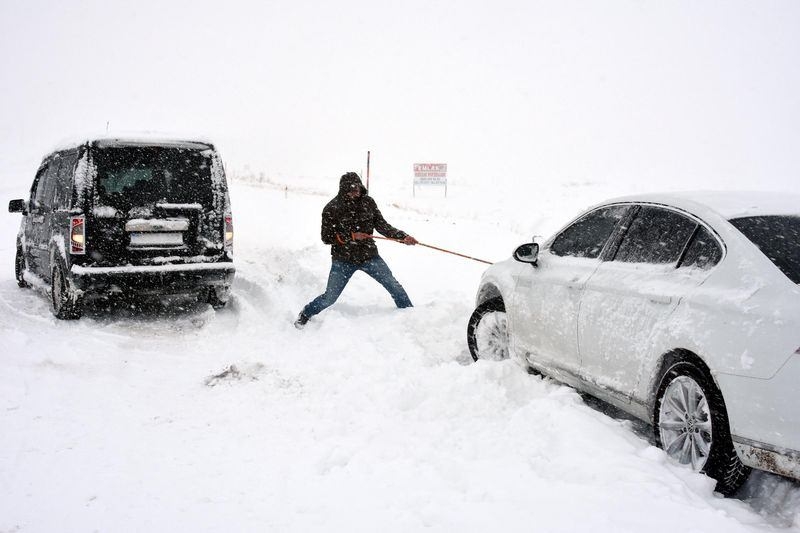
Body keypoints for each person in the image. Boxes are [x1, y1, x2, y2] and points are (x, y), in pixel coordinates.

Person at [295, 172, 418, 328]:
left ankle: (411, 316)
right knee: (330, 297)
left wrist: (403, 237)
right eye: (352, 189)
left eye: (358, 188)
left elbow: (382, 225)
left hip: (369, 256)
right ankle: (306, 313)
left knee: (393, 285)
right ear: (344, 189)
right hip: (343, 260)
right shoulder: (331, 208)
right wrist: (351, 236)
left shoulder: (368, 202)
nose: (356, 192)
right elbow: (326, 237)